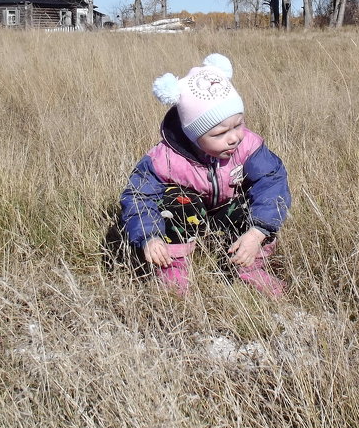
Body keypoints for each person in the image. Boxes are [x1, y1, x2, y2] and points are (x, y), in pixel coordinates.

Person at [119, 53, 291, 297]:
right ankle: (173, 269)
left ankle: (251, 264)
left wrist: (257, 232)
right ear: (194, 135)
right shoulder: (164, 158)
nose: (234, 137)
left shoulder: (249, 147)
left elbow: (272, 183)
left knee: (256, 204)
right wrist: (148, 237)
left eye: (238, 125)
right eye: (221, 133)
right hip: (189, 215)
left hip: (229, 212)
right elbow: (138, 195)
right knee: (175, 202)